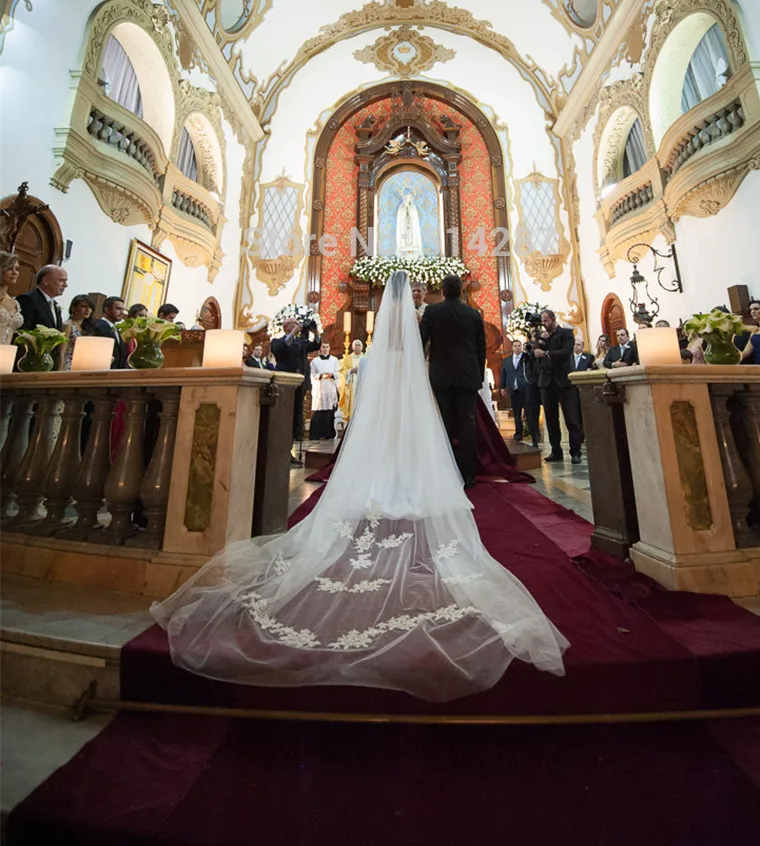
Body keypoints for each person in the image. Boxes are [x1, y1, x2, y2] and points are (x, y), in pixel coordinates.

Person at [151, 270, 568, 701]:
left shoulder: (422, 322)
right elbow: (466, 345)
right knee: (445, 429)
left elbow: (417, 344)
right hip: (440, 376)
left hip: (430, 375)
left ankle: (381, 475)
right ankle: (458, 475)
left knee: (390, 430)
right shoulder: (459, 314)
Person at [419, 274, 485, 489]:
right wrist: (479, 376)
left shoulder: (432, 312)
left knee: (444, 422)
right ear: (461, 290)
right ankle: (468, 475)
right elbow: (480, 348)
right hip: (468, 375)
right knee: (467, 423)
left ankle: (445, 472)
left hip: (441, 374)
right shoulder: (473, 313)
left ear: (443, 291)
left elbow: (421, 341)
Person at [533, 309, 583, 464]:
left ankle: (575, 452)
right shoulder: (541, 336)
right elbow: (535, 353)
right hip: (546, 382)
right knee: (550, 418)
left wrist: (547, 353)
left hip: (564, 381)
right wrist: (539, 341)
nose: (544, 323)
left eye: (546, 320)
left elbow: (566, 351)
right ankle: (556, 451)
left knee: (571, 418)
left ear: (554, 319)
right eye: (543, 321)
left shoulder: (566, 333)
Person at [270, 316, 320, 466]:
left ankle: (289, 451)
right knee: (283, 417)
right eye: (294, 325)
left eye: (297, 325)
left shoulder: (300, 343)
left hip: (299, 385)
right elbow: (282, 348)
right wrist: (293, 334)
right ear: (286, 327)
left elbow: (315, 345)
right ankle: (279, 451)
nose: (297, 326)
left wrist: (315, 333)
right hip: (284, 385)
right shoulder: (276, 341)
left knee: (295, 418)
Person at [17, 264, 68, 332]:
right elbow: (22, 331)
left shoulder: (55, 305)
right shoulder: (28, 299)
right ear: (46, 281)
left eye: (65, 281)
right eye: (61, 280)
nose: (65, 285)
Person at [309, 342, 340, 440]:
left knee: (330, 410)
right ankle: (316, 434)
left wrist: (332, 375)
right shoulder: (315, 361)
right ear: (320, 349)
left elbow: (338, 373)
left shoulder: (334, 360)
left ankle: (329, 434)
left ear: (329, 348)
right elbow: (312, 375)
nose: (325, 349)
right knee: (318, 410)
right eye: (323, 347)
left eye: (327, 347)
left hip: (330, 388)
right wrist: (321, 375)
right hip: (320, 388)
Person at [500, 340, 528, 441]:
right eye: (515, 346)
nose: (517, 347)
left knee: (528, 411)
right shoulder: (507, 360)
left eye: (519, 346)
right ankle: (518, 433)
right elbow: (503, 375)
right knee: (516, 413)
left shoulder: (526, 358)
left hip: (525, 389)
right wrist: (502, 387)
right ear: (512, 348)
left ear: (521, 347)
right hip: (513, 389)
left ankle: (531, 432)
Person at [61, 294, 95, 370]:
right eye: (83, 306)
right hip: (68, 366)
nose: (88, 310)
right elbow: (62, 350)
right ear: (73, 308)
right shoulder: (68, 325)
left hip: (82, 366)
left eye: (90, 307)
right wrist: (59, 370)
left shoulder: (86, 328)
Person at [94, 296, 128, 369]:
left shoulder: (116, 328)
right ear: (106, 310)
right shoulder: (99, 327)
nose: (122, 312)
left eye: (123, 309)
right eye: (118, 309)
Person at [338, 339, 364, 423]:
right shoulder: (347, 359)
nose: (357, 347)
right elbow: (342, 371)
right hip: (352, 386)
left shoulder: (365, 358)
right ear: (352, 347)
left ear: (362, 347)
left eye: (359, 345)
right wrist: (351, 371)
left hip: (362, 386)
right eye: (355, 345)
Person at [0, 251, 23, 344]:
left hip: (6, 354)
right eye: (10, 268)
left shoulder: (15, 303)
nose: (15, 273)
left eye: (17, 269)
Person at [395, 188, 423, 258]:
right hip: (404, 226)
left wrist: (410, 213)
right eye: (407, 198)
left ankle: (412, 245)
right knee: (404, 235)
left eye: (409, 198)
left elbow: (415, 218)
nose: (408, 199)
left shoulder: (413, 207)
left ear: (411, 199)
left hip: (411, 226)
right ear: (404, 198)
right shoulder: (401, 207)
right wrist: (405, 210)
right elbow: (400, 217)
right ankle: (403, 245)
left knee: (412, 235)